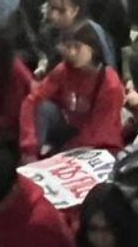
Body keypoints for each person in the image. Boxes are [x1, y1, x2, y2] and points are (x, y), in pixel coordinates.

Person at [21, 24, 124, 159]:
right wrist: (29, 146)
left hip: (100, 143)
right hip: (71, 130)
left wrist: (64, 152)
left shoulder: (110, 84)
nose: (72, 53)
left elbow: (101, 130)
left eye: (77, 47)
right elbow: (32, 100)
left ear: (93, 48)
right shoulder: (63, 70)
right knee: (43, 108)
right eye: (68, 47)